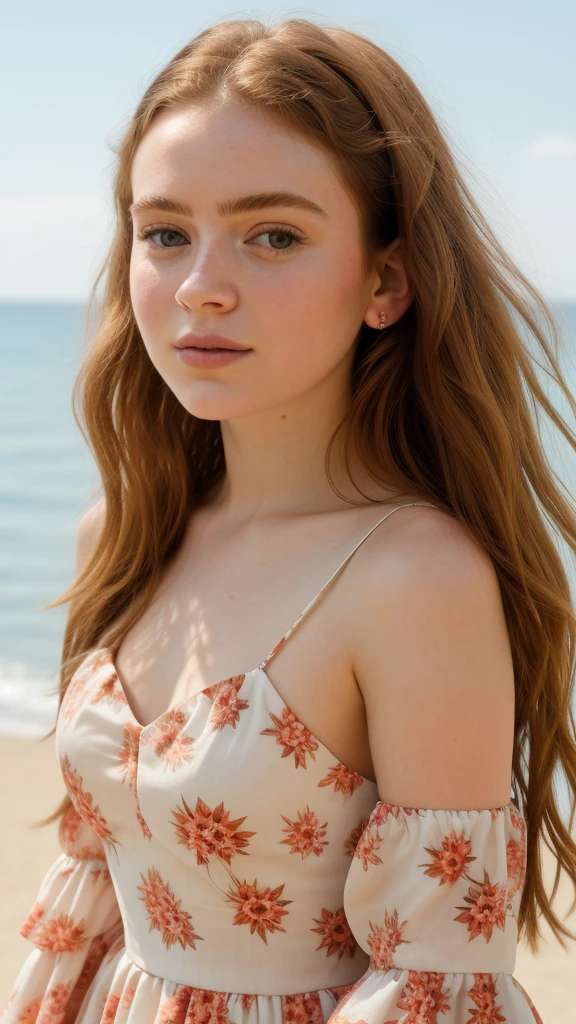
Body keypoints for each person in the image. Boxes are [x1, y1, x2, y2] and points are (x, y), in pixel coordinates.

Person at [2, 16, 575, 1024]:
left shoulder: (412, 576)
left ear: (386, 281)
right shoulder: (124, 536)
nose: (200, 288)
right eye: (166, 231)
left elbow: (435, 986)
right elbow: (91, 896)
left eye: (274, 234)